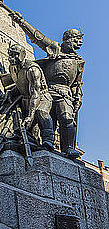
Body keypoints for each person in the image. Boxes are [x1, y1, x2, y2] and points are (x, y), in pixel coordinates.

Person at [5, 8, 84, 159]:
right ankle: (47, 143)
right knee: (43, 115)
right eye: (76, 40)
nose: (79, 43)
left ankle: (69, 149)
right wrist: (21, 22)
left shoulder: (79, 62)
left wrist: (77, 97)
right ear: (67, 39)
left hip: (64, 94)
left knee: (67, 118)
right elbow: (38, 37)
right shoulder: (56, 49)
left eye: (79, 40)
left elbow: (76, 84)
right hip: (47, 90)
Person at [7, 43, 55, 150]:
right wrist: (10, 93)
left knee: (40, 112)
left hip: (41, 97)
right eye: (10, 55)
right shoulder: (12, 68)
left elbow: (35, 92)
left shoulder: (32, 69)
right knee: (29, 130)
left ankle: (49, 141)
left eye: (15, 55)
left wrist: (30, 115)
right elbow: (20, 85)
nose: (11, 58)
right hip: (26, 98)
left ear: (22, 55)